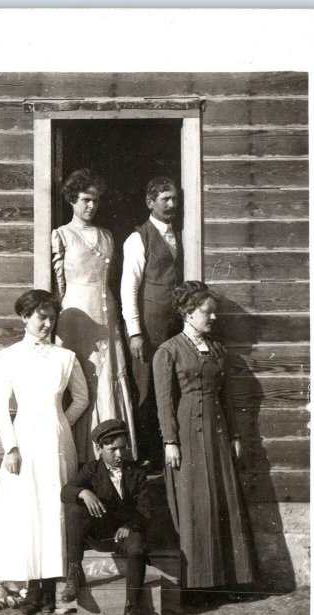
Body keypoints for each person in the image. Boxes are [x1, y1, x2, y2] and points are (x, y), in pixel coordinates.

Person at [0, 290, 89, 615]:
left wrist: (62, 423)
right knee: (28, 510)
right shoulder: (9, 357)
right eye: (40, 317)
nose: (47, 323)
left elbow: (82, 398)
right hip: (24, 442)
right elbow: (1, 407)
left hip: (57, 443)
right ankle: (32, 589)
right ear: (25, 318)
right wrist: (11, 447)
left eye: (51, 317)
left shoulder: (64, 357)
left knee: (54, 509)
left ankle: (51, 589)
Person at [152, 281, 257, 595]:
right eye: (206, 312)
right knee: (195, 504)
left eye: (215, 312)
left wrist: (235, 435)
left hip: (218, 433)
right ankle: (199, 586)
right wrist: (170, 441)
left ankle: (231, 580)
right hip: (186, 435)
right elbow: (163, 402)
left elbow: (227, 396)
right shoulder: (168, 351)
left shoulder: (217, 349)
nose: (213, 318)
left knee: (224, 501)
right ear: (188, 312)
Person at [51, 168, 137, 464]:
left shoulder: (107, 236)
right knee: (82, 379)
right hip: (77, 314)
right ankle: (81, 456)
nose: (91, 206)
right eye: (86, 199)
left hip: (106, 312)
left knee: (108, 376)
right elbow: (58, 284)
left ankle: (111, 454)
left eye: (96, 201)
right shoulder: (62, 235)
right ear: (72, 200)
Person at [60, 419, 150, 615]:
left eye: (122, 448)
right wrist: (84, 492)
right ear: (99, 449)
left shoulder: (136, 472)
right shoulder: (92, 470)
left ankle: (132, 609)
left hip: (124, 535)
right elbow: (66, 491)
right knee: (74, 508)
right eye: (113, 450)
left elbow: (146, 509)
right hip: (98, 536)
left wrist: (130, 525)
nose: (119, 455)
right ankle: (74, 571)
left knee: (137, 547)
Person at [121, 176, 183, 466]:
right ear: (150, 203)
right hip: (148, 327)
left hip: (173, 326)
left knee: (169, 384)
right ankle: (144, 457)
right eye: (164, 199)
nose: (171, 204)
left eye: (174, 198)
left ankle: (165, 451)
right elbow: (129, 288)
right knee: (145, 388)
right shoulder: (138, 238)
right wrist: (135, 332)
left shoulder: (179, 234)